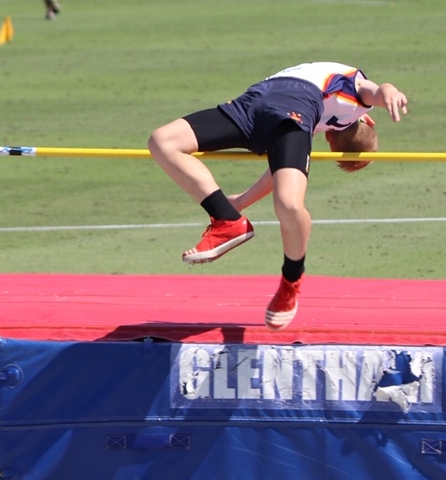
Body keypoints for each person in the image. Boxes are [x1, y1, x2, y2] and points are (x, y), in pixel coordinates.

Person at [148, 62, 408, 331]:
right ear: (368, 119)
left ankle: (273, 264)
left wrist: (242, 200)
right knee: (288, 205)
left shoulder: (321, 121)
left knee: (163, 141)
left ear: (330, 138)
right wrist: (389, 92)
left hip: (261, 104)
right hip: (279, 102)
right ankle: (229, 222)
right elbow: (374, 90)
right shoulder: (356, 101)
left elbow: (280, 169)